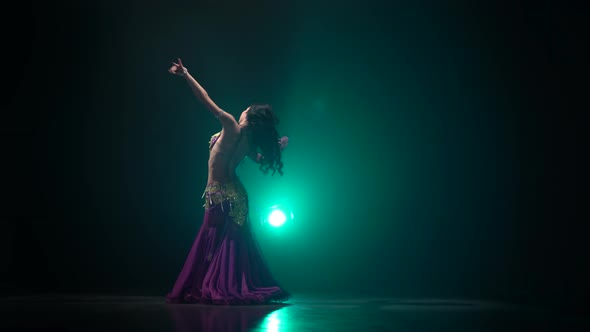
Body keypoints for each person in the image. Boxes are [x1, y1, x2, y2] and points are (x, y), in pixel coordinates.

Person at [165, 58, 290, 305]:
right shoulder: (250, 139)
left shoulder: (231, 125)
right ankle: (224, 284)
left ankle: (218, 287)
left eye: (247, 108)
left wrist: (187, 75)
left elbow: (205, 99)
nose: (243, 108)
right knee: (226, 243)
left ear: (248, 115)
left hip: (219, 192)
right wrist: (278, 148)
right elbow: (258, 158)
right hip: (234, 193)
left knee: (216, 240)